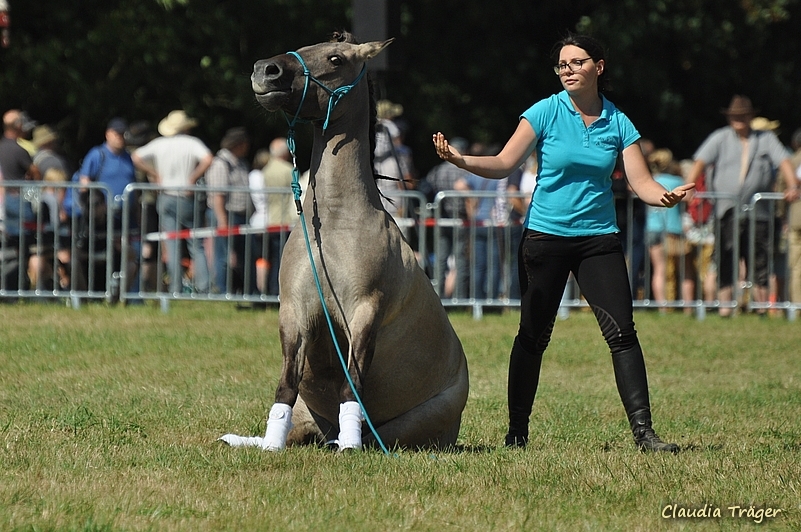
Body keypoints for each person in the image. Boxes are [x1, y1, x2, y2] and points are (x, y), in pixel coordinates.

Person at [433, 33, 692, 452]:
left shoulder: (619, 122)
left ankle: (645, 434)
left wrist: (663, 196)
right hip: (545, 239)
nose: (567, 70)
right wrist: (460, 160)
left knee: (623, 334)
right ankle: (517, 431)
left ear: (599, 67)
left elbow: (640, 182)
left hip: (598, 241)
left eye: (576, 62)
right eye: (562, 65)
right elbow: (502, 163)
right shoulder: (545, 112)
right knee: (533, 336)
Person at [685, 96, 800, 316]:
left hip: (760, 212)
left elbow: (783, 162)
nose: (739, 120)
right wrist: (689, 187)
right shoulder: (720, 137)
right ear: (729, 117)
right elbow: (700, 161)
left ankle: (761, 307)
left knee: (760, 259)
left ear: (751, 116)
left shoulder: (765, 139)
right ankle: (726, 308)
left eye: (743, 115)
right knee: (725, 258)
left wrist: (792, 186)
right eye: (734, 116)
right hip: (726, 210)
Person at [132, 110, 213, 294]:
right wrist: (193, 177)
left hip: (166, 196)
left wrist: (154, 174)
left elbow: (136, 156)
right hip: (186, 196)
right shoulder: (192, 143)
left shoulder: (159, 144)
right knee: (195, 244)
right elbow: (208, 159)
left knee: (172, 244)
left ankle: (175, 288)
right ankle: (204, 287)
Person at [77, 118, 140, 295]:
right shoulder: (97, 154)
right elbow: (84, 183)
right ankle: (98, 293)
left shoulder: (128, 157)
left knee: (128, 256)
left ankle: (121, 296)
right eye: (117, 133)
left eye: (122, 134)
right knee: (106, 255)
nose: (121, 137)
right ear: (108, 134)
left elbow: (135, 187)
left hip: (126, 216)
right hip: (101, 220)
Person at [206, 126, 256, 295]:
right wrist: (222, 220)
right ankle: (222, 291)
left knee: (245, 256)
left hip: (241, 216)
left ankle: (249, 291)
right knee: (223, 257)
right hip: (227, 215)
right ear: (238, 144)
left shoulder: (240, 162)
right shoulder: (221, 164)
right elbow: (218, 195)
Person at [645, 149, 695, 312]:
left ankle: (662, 307)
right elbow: (690, 197)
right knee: (685, 270)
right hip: (673, 229)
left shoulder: (649, 181)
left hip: (652, 228)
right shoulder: (676, 181)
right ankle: (688, 307)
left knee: (659, 270)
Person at [424, 136, 471, 299]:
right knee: (460, 260)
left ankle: (439, 296)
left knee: (442, 258)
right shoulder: (465, 171)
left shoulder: (438, 170)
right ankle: (459, 297)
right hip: (461, 219)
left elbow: (428, 187)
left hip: (442, 217)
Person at [0, 109, 42, 291]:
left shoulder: (1, 146)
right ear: (18, 126)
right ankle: (17, 290)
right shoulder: (19, 150)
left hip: (4, 203)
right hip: (16, 202)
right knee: (25, 248)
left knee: (8, 248)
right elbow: (35, 172)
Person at [249, 137, 295, 296]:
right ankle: (277, 291)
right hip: (285, 221)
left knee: (268, 259)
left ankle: (267, 290)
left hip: (268, 221)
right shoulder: (289, 170)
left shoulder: (265, 171)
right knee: (281, 259)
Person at [789, 128, 801, 303]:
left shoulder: (791, 161)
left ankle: (798, 305)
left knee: (796, 266)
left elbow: (782, 187)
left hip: (796, 218)